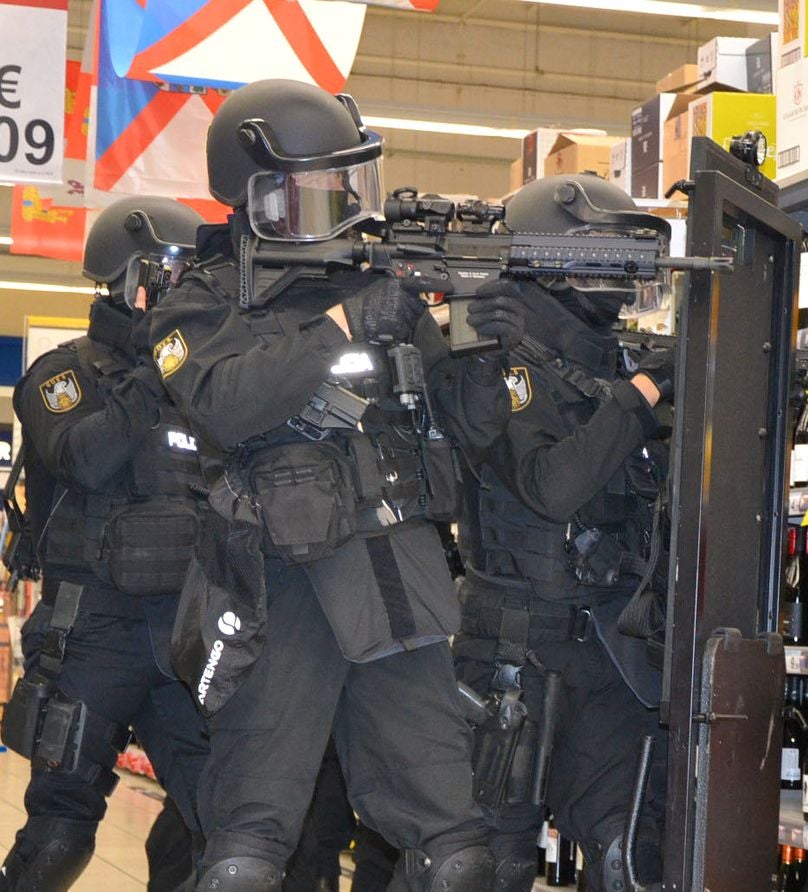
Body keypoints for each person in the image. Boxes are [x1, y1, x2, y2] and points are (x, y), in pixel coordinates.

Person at [145, 78, 524, 891]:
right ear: (255, 199)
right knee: (247, 849)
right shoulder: (197, 304)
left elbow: (473, 429)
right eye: (317, 189)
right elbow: (227, 402)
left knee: (458, 850)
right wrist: (346, 326)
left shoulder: (375, 284)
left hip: (395, 574)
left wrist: (485, 349)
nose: (343, 205)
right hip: (275, 582)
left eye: (347, 185)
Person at [452, 173, 676, 892]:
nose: (620, 274)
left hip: (609, 645)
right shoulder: (491, 359)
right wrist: (640, 400)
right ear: (544, 256)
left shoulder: (614, 361)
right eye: (603, 254)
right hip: (514, 648)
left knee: (628, 859)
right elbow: (551, 485)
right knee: (488, 863)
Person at [2, 197, 208, 890]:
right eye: (173, 272)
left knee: (224, 822)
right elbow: (85, 457)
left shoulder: (198, 383)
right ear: (129, 278)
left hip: (186, 631)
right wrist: (156, 369)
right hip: (92, 628)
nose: (187, 287)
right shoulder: (62, 376)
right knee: (60, 834)